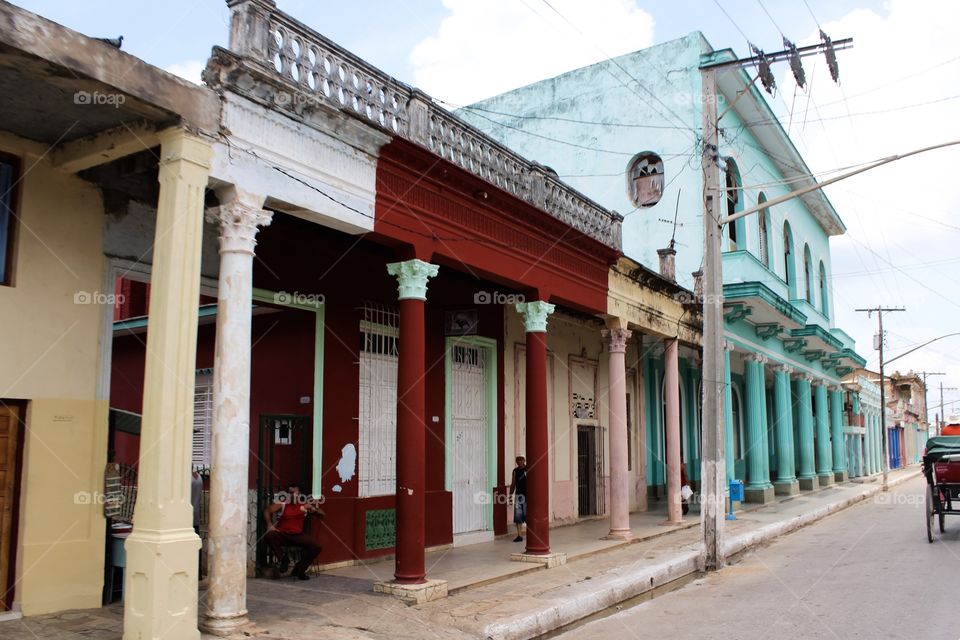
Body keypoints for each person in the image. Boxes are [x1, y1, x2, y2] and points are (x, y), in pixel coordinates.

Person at [263, 483, 324, 580]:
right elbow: (267, 511)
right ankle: (283, 559)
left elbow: (322, 514)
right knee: (269, 535)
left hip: (297, 536)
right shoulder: (283, 503)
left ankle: (300, 569)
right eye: (291, 492)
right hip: (283, 534)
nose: (293, 495)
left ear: (300, 494)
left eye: (295, 492)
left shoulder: (304, 505)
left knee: (317, 546)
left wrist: (312, 508)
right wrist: (269, 524)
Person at [508, 456, 527, 542]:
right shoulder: (515, 471)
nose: (519, 461)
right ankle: (519, 535)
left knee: (528, 515)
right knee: (518, 516)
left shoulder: (527, 469)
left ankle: (530, 534)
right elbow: (513, 483)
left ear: (524, 460)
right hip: (518, 496)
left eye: (521, 460)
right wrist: (510, 495)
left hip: (527, 495)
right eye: (517, 460)